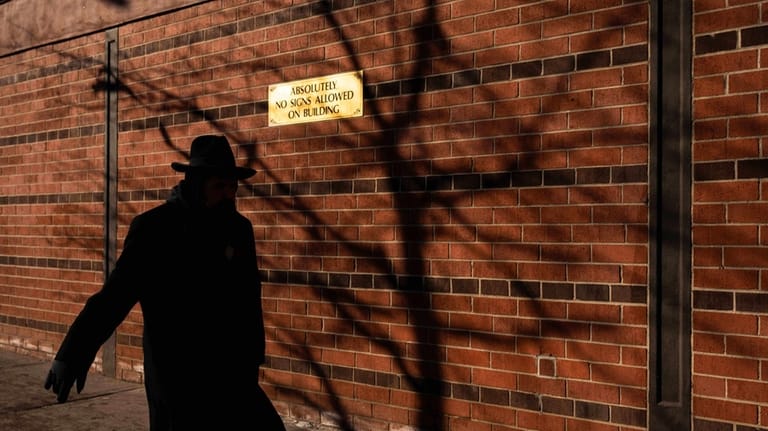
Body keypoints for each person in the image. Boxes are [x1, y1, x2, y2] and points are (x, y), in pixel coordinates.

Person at [44, 135, 286, 430]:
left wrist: (250, 359)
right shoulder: (155, 228)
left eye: (233, 187)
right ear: (196, 184)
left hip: (230, 373)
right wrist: (73, 354)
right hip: (177, 376)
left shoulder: (238, 228)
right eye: (219, 187)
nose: (228, 194)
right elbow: (116, 296)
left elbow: (249, 298)